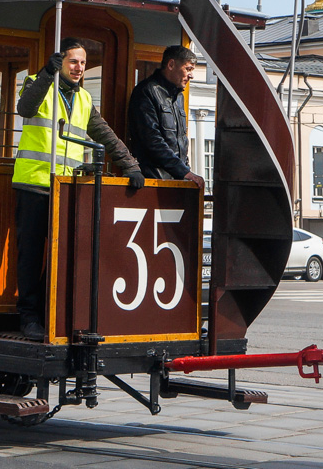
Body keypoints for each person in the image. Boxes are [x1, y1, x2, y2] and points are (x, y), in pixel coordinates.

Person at [12, 37, 144, 340]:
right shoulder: (37, 82)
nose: (79, 68)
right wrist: (47, 72)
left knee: (63, 255)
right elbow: (25, 108)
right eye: (73, 61)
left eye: (83, 63)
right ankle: (28, 317)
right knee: (30, 256)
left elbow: (105, 134)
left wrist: (130, 164)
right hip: (33, 184)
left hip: (65, 189)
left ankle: (49, 313)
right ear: (60, 60)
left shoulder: (83, 99)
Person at [127, 45, 205, 190]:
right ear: (171, 65)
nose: (191, 75)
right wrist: (184, 172)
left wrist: (185, 172)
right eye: (188, 69)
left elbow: (181, 141)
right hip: (153, 180)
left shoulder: (179, 97)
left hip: (176, 181)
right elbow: (152, 140)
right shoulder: (147, 92)